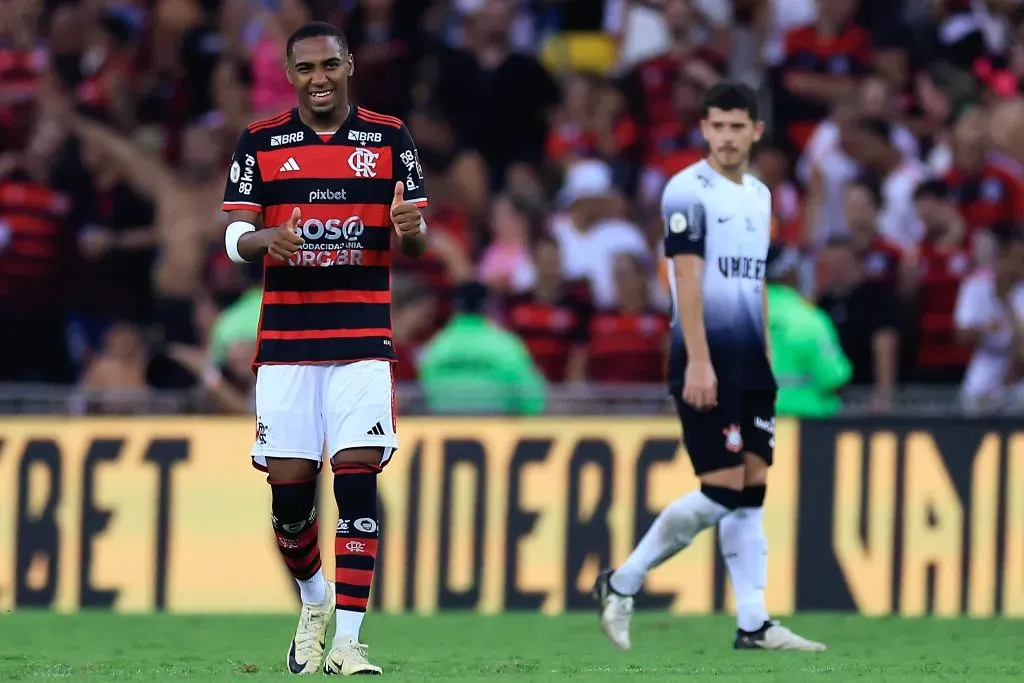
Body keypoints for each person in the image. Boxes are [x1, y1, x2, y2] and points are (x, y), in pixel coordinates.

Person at [220, 21, 429, 676]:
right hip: (286, 346)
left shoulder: (389, 137)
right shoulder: (260, 141)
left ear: (350, 66)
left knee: (358, 484)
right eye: (306, 68)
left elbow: (416, 238)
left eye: (330, 65)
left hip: (362, 341)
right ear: (289, 74)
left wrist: (411, 227)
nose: (318, 78)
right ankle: (315, 602)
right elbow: (233, 237)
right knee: (290, 502)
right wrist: (264, 241)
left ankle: (350, 641)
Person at [593, 82, 826, 653]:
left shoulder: (760, 195)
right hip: (706, 358)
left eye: (736, 126)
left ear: (755, 131)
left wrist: (767, 354)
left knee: (751, 491)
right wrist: (698, 359)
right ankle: (622, 581)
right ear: (704, 129)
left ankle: (754, 623)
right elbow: (687, 279)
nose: (725, 137)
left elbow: (757, 279)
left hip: (750, 362)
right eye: (716, 126)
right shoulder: (685, 191)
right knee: (721, 490)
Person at [763, 245, 851, 418]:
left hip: (750, 422)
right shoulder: (809, 317)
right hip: (804, 422)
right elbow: (834, 376)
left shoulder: (737, 316)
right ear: (788, 273)